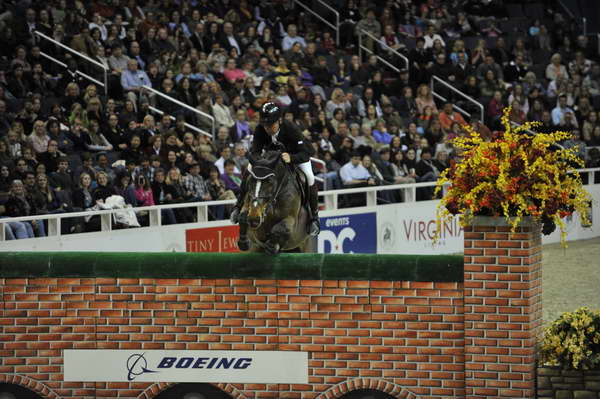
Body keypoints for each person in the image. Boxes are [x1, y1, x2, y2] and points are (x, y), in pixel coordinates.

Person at [229, 102, 320, 236]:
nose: (268, 128)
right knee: (249, 170)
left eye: (271, 124)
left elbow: (306, 152)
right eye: (265, 125)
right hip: (271, 158)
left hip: (296, 155)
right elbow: (255, 151)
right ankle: (238, 206)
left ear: (280, 120)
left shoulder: (291, 128)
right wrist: (259, 162)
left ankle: (314, 217)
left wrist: (292, 158)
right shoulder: (261, 129)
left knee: (309, 177)